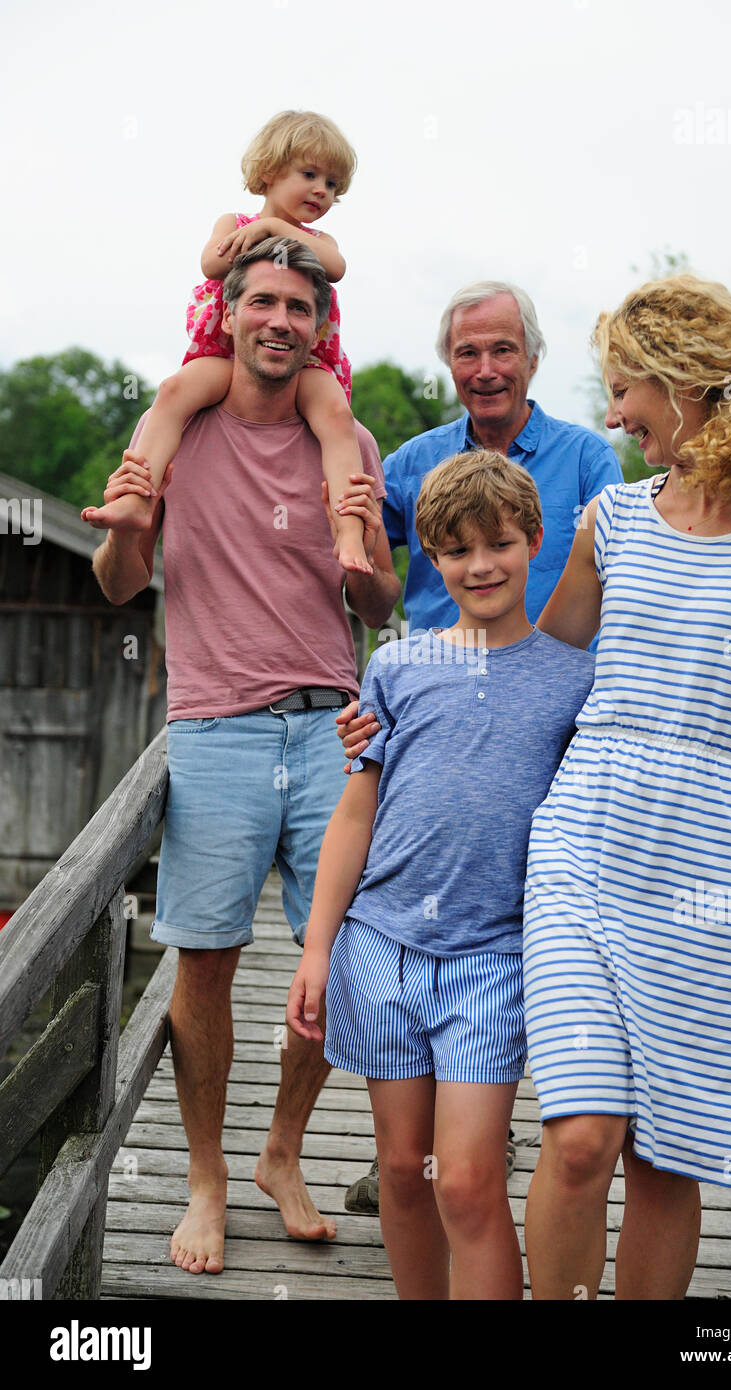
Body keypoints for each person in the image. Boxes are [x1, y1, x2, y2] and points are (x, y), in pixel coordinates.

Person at [521, 272, 731, 1300]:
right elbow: (539, 675)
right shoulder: (611, 518)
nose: (615, 412)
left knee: (665, 1157)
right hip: (586, 835)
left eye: (625, 388)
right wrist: (402, 717)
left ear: (688, 385)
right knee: (580, 1136)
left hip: (714, 864)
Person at [90, 236, 401, 1276]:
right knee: (206, 960)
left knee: (347, 958)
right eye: (260, 302)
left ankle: (283, 1152)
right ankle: (206, 1178)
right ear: (227, 315)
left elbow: (380, 602)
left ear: (319, 329)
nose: (278, 320)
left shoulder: (341, 437)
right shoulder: (179, 428)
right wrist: (125, 521)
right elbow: (119, 585)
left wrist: (361, 536)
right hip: (215, 723)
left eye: (297, 309)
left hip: (329, 726)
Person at [336, 281, 621, 1213]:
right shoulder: (413, 463)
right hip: (423, 713)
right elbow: (368, 593)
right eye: (467, 353)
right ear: (448, 364)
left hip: (552, 724)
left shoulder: (587, 461)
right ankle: (416, 1160)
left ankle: (481, 1140)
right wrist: (370, 687)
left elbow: (628, 585)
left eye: (502, 350)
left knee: (511, 942)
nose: (485, 369)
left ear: (532, 360)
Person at [286, 450, 596, 1298]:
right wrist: (317, 948)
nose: (480, 565)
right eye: (456, 551)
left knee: (464, 1178)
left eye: (498, 543)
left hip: (494, 954)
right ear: (431, 558)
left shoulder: (575, 681)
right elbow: (355, 815)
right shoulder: (396, 667)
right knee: (400, 1169)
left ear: (534, 540)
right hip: (381, 945)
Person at [82, 110, 371, 575]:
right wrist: (253, 232)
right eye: (310, 175)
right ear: (268, 174)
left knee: (337, 417)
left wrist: (277, 230)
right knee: (173, 393)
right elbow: (210, 265)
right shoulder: (232, 220)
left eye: (334, 185)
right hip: (228, 355)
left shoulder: (320, 240)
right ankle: (138, 500)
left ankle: (350, 530)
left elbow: (336, 268)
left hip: (306, 364)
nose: (323, 191)